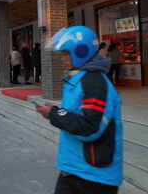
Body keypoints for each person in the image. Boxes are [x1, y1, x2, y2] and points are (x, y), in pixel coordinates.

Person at [35, 26, 123, 194]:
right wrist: (55, 112)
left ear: (81, 51)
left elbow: (90, 127)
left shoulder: (94, 82)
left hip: (93, 177)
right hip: (76, 170)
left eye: (66, 53)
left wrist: (54, 113)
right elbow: (76, 116)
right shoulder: (80, 78)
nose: (63, 59)